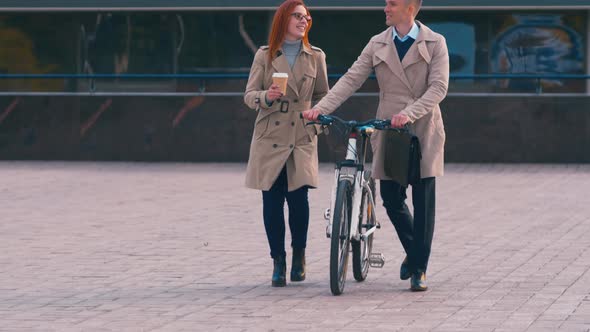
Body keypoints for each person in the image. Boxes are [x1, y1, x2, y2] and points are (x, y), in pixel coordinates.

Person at [303, 0, 449, 291]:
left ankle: (419, 268)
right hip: (389, 128)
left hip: (422, 128)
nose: (386, 8)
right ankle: (416, 252)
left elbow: (439, 87)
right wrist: (320, 108)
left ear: (411, 6)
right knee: (392, 198)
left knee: (423, 202)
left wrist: (409, 113)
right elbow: (351, 79)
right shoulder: (377, 43)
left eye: (392, 3)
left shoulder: (435, 42)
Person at [243, 0, 329, 287]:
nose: (303, 21)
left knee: (299, 200)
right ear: (283, 20)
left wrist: (316, 123)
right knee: (272, 200)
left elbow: (323, 96)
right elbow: (249, 95)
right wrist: (266, 96)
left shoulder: (316, 56)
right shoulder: (265, 56)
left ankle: (299, 256)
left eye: (306, 17)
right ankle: (277, 261)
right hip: (271, 136)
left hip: (301, 136)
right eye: (297, 16)